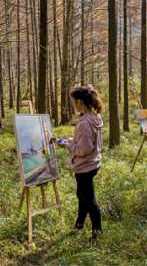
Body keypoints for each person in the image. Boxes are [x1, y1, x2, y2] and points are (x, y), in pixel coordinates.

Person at [53, 85, 103, 239]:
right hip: (92, 163)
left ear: (80, 102)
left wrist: (67, 145)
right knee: (82, 195)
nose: (73, 105)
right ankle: (79, 223)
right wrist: (65, 140)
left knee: (89, 199)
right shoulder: (94, 117)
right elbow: (82, 142)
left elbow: (83, 149)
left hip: (85, 166)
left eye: (74, 102)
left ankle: (97, 231)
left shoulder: (84, 123)